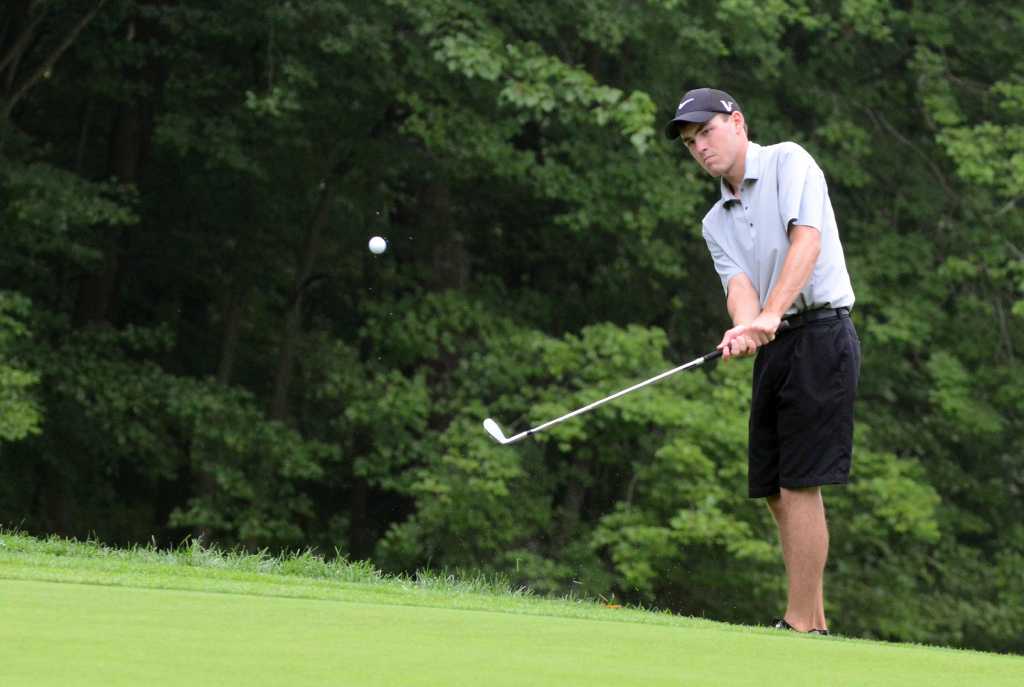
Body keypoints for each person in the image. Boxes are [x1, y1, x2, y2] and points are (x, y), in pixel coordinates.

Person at [665, 87, 860, 635]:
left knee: (801, 482)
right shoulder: (715, 221)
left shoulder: (789, 162)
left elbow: (807, 242)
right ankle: (816, 620)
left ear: (737, 123)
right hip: (776, 344)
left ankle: (800, 625)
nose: (700, 147)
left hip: (820, 332)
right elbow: (739, 287)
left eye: (706, 132)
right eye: (689, 142)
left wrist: (769, 316)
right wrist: (746, 327)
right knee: (775, 488)